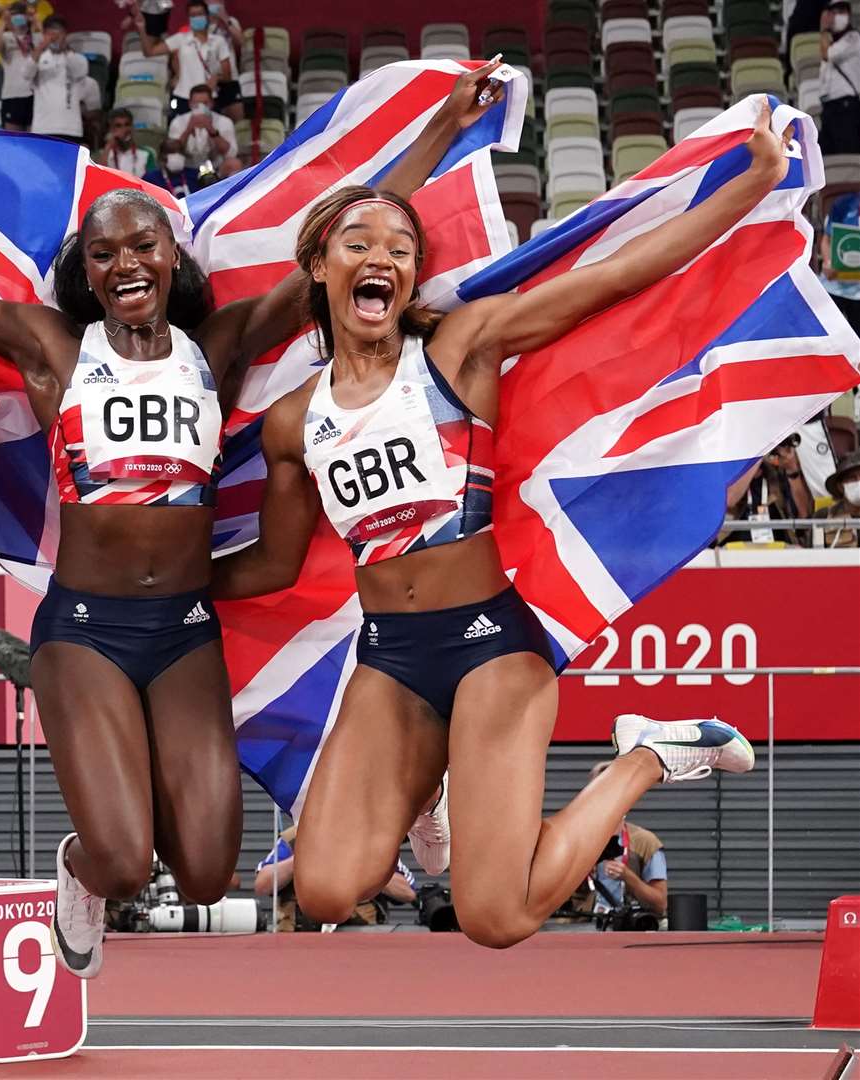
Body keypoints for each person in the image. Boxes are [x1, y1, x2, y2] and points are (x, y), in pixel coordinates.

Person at [0, 62, 506, 979]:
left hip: (182, 631)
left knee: (206, 873)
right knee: (126, 863)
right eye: (103, 253)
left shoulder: (220, 349)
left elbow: (341, 238)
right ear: (84, 273)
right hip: (84, 624)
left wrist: (443, 126)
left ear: (173, 258)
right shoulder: (55, 349)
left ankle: (110, 840)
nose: (125, 263)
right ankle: (83, 869)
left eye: (142, 246)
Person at [205, 105, 787, 952]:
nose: (383, 259)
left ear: (409, 280)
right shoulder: (294, 422)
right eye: (359, 243)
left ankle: (647, 756)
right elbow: (273, 563)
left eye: (401, 250)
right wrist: (166, 583)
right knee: (326, 887)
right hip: (390, 659)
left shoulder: (458, 349)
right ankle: (431, 786)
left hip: (488, 648)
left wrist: (751, 184)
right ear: (318, 268)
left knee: (497, 917)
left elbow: (617, 277)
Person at [254, 826, 417, 931]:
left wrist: (364, 865)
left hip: (360, 936)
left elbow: (407, 893)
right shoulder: (294, 838)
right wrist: (300, 859)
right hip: (298, 934)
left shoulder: (371, 841)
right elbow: (262, 885)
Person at [574, 760, 668, 921]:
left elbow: (660, 904)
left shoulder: (645, 842)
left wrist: (628, 877)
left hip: (629, 925)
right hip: (583, 927)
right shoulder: (576, 841)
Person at [134, 0, 235, 119]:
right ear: (189, 18)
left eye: (200, 14)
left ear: (207, 16)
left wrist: (216, 78)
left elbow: (228, 75)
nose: (197, 18)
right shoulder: (180, 38)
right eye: (193, 15)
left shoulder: (218, 41)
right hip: (180, 97)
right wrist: (142, 28)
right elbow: (149, 52)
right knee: (176, 128)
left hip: (209, 97)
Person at [27, 15, 87, 143]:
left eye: (58, 32)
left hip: (70, 128)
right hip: (42, 128)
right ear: (44, 34)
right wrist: (41, 47)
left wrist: (64, 48)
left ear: (65, 34)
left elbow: (79, 71)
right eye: (50, 32)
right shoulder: (38, 58)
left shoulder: (78, 58)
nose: (54, 37)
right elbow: (26, 74)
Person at [165, 83, 237, 177]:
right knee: (172, 161)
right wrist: (188, 130)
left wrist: (211, 130)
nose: (200, 107)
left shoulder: (224, 121)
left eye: (205, 103)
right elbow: (171, 151)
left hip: (216, 167)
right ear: (190, 104)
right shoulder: (178, 122)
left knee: (234, 164)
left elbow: (231, 153)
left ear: (212, 103)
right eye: (196, 103)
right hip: (186, 167)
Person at [0, 2, 37, 132]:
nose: (17, 17)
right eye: (14, 15)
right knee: (14, 141)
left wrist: (35, 20)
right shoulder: (5, 37)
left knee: (33, 140)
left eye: (20, 14)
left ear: (26, 16)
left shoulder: (35, 37)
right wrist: (3, 22)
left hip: (35, 95)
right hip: (12, 94)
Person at [824, 0, 860, 156]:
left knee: (848, 154)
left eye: (842, 12)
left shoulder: (853, 37)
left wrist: (823, 30)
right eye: (834, 12)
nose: (838, 16)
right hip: (830, 105)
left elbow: (829, 55)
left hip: (847, 105)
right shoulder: (833, 39)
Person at [99, 108, 153, 178]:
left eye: (127, 125)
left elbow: (152, 182)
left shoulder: (146, 153)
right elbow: (99, 176)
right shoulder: (103, 154)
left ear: (132, 127)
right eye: (118, 126)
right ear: (111, 129)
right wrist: (108, 146)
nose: (124, 130)